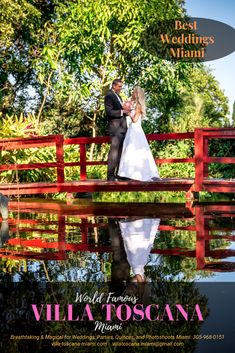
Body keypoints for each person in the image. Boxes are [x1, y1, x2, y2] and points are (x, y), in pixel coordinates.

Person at [118, 86, 161, 181]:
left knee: (133, 150)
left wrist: (128, 112)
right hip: (132, 129)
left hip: (135, 129)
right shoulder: (135, 104)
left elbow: (134, 119)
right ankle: (129, 173)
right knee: (130, 150)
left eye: (133, 92)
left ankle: (137, 173)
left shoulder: (138, 106)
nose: (132, 94)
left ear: (137, 95)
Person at [105, 79, 131, 181]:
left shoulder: (118, 96)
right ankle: (110, 176)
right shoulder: (109, 96)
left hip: (122, 128)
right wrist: (122, 111)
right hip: (115, 128)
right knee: (114, 152)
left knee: (121, 152)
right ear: (114, 85)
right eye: (119, 86)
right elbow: (109, 112)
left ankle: (119, 174)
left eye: (121, 86)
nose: (121, 89)